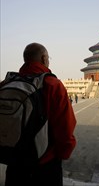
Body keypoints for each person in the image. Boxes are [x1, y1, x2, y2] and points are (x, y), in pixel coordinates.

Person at [3, 42, 77, 186]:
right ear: (44, 58)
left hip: (14, 162)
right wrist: (62, 154)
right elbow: (65, 128)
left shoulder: (6, 83)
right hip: (45, 163)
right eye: (48, 58)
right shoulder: (52, 84)